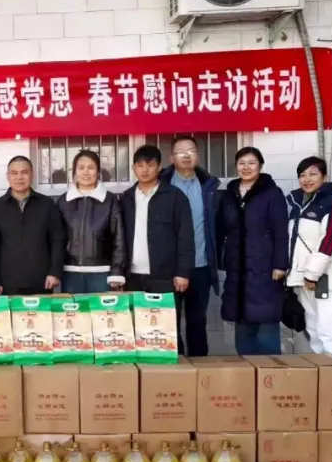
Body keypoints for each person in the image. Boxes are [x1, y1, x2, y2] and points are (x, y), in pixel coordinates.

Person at [216, 147, 289, 354]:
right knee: (242, 323)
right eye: (241, 163)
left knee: (266, 323)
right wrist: (222, 258)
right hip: (237, 267)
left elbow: (281, 231)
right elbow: (220, 228)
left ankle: (270, 370)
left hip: (265, 266)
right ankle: (246, 368)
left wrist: (280, 264)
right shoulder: (230, 195)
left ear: (260, 166)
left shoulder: (271, 193)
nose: (246, 167)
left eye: (251, 163)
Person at [119, 144, 195, 340]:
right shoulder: (126, 198)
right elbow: (118, 238)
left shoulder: (175, 197)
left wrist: (182, 272)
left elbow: (185, 236)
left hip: (165, 277)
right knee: (136, 330)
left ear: (159, 167)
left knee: (166, 332)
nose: (145, 170)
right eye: (140, 165)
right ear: (133, 168)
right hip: (132, 277)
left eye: (150, 165)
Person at [286, 156, 332, 354]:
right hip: (305, 278)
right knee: (313, 330)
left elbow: (331, 240)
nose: (307, 179)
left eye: (313, 174)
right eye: (302, 175)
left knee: (328, 330)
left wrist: (312, 274)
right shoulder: (299, 204)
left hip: (325, 278)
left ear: (324, 177)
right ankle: (321, 369)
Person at [160, 135, 222, 357]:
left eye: (191, 151)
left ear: (198, 155)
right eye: (180, 152)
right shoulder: (162, 185)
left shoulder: (208, 186)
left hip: (200, 265)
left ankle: (200, 370)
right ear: (171, 157)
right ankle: (176, 371)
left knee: (197, 322)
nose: (186, 155)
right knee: (169, 323)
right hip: (169, 267)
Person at [0, 156, 65, 296]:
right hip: (7, 284)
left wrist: (55, 272)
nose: (19, 177)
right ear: (8, 176)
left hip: (43, 282)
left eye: (24, 172)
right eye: (14, 173)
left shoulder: (47, 204)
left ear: (32, 174)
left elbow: (58, 240)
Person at [56, 149, 125, 293]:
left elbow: (118, 238)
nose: (86, 172)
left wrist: (116, 271)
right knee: (72, 309)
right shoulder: (63, 202)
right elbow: (57, 239)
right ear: (74, 172)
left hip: (101, 272)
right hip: (70, 273)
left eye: (91, 168)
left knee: (101, 308)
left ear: (98, 172)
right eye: (81, 168)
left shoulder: (110, 200)